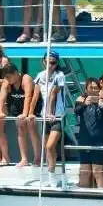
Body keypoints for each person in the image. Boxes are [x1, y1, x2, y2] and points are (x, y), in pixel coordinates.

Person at [29, 51, 67, 184]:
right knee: (46, 147)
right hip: (44, 116)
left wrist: (50, 113)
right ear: (43, 61)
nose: (50, 65)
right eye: (48, 62)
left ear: (57, 63)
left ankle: (52, 174)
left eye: (53, 63)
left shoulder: (60, 75)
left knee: (50, 146)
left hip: (57, 116)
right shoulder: (40, 76)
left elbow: (53, 95)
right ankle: (51, 172)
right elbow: (34, 96)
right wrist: (30, 112)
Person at [0, 65, 40, 167]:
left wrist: (25, 113)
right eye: (6, 77)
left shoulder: (26, 79)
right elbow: (1, 98)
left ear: (16, 73)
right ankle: (24, 159)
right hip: (17, 105)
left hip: (32, 105)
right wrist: (0, 111)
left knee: (31, 127)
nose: (8, 79)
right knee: (20, 128)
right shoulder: (7, 81)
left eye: (9, 77)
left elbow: (28, 96)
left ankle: (37, 158)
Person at [73, 77, 103, 188]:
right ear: (86, 89)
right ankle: (84, 198)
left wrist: (102, 106)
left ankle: (102, 196)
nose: (94, 90)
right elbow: (76, 112)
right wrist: (84, 104)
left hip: (98, 141)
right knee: (85, 171)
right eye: (91, 88)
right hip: (85, 140)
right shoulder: (81, 100)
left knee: (98, 171)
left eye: (96, 88)